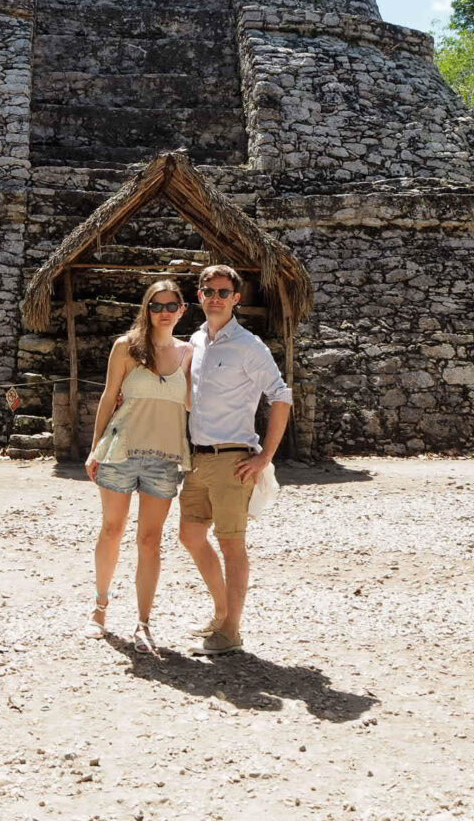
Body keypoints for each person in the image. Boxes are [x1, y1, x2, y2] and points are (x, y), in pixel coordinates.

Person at [179, 264, 292, 655]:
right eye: (208, 291)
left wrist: (265, 459)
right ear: (199, 296)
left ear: (236, 299)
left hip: (232, 460)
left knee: (232, 546)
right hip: (197, 459)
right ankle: (221, 611)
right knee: (190, 536)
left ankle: (231, 631)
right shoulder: (195, 341)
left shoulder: (249, 346)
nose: (215, 298)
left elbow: (281, 396)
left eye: (223, 292)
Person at [83, 278, 192, 655]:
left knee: (149, 541)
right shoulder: (126, 347)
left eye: (170, 306)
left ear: (181, 310)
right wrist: (94, 448)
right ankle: (99, 610)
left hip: (165, 458)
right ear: (146, 309)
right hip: (120, 450)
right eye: (155, 305)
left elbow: (195, 404)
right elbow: (109, 396)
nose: (163, 312)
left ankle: (144, 620)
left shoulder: (190, 353)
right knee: (111, 530)